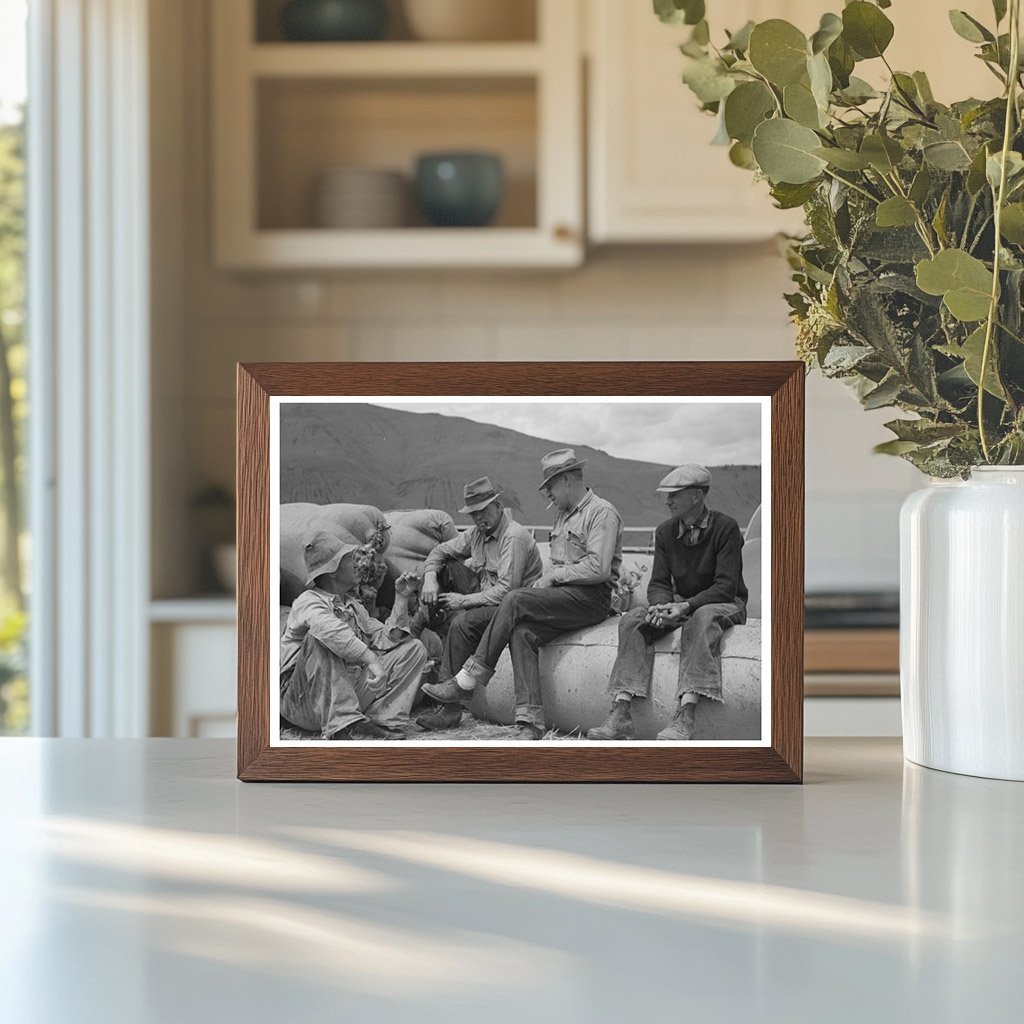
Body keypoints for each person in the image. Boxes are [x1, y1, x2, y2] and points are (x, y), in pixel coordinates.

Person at [422, 449, 623, 740]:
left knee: (514, 598)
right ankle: (530, 722)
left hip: (592, 598)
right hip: (564, 598)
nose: (547, 495)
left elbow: (599, 568)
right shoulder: (562, 515)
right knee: (523, 633)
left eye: (550, 488)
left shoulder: (601, 512)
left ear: (566, 480)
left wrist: (553, 577)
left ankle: (467, 679)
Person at [588, 465, 747, 742]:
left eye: (674, 495)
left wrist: (686, 607)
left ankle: (686, 716)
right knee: (633, 619)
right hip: (681, 603)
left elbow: (726, 586)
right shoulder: (664, 532)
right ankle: (621, 712)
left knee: (702, 617)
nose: (667, 501)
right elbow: (659, 582)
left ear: (697, 496)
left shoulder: (726, 529)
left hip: (723, 602)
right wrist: (660, 607)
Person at [416, 476, 544, 731]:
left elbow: (507, 592)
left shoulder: (513, 537)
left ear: (497, 506)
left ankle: (450, 708)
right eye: (473, 514)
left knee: (462, 623)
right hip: (489, 600)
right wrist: (429, 579)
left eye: (483, 511)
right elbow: (439, 551)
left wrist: (463, 600)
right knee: (446, 567)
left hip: (516, 607)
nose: (478, 519)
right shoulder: (475, 534)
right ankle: (429, 622)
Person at [280, 531, 428, 740]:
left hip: (344, 691)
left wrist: (402, 598)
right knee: (322, 638)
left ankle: (375, 720)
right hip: (302, 701)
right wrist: (372, 660)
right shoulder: (308, 601)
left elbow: (387, 639)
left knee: (413, 649)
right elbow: (331, 632)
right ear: (332, 570)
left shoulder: (353, 606)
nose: (357, 563)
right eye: (349, 559)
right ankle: (341, 725)